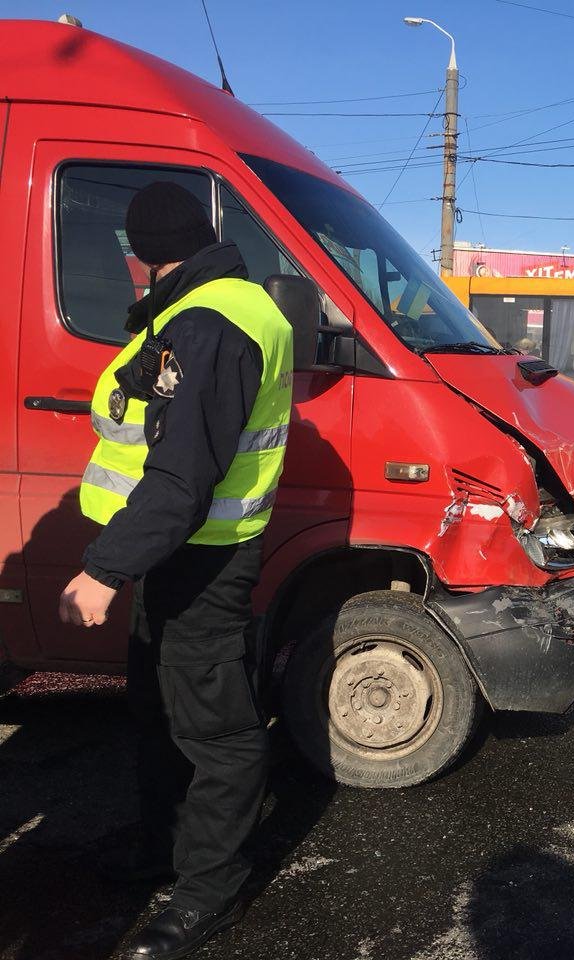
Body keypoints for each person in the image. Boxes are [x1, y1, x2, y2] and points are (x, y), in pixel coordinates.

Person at [58, 182, 294, 959]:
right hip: (174, 552)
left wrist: (104, 570)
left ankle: (208, 892)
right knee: (158, 706)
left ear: (144, 256)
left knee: (216, 732)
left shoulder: (210, 323)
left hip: (202, 558)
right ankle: (164, 848)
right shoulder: (213, 306)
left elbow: (182, 477)